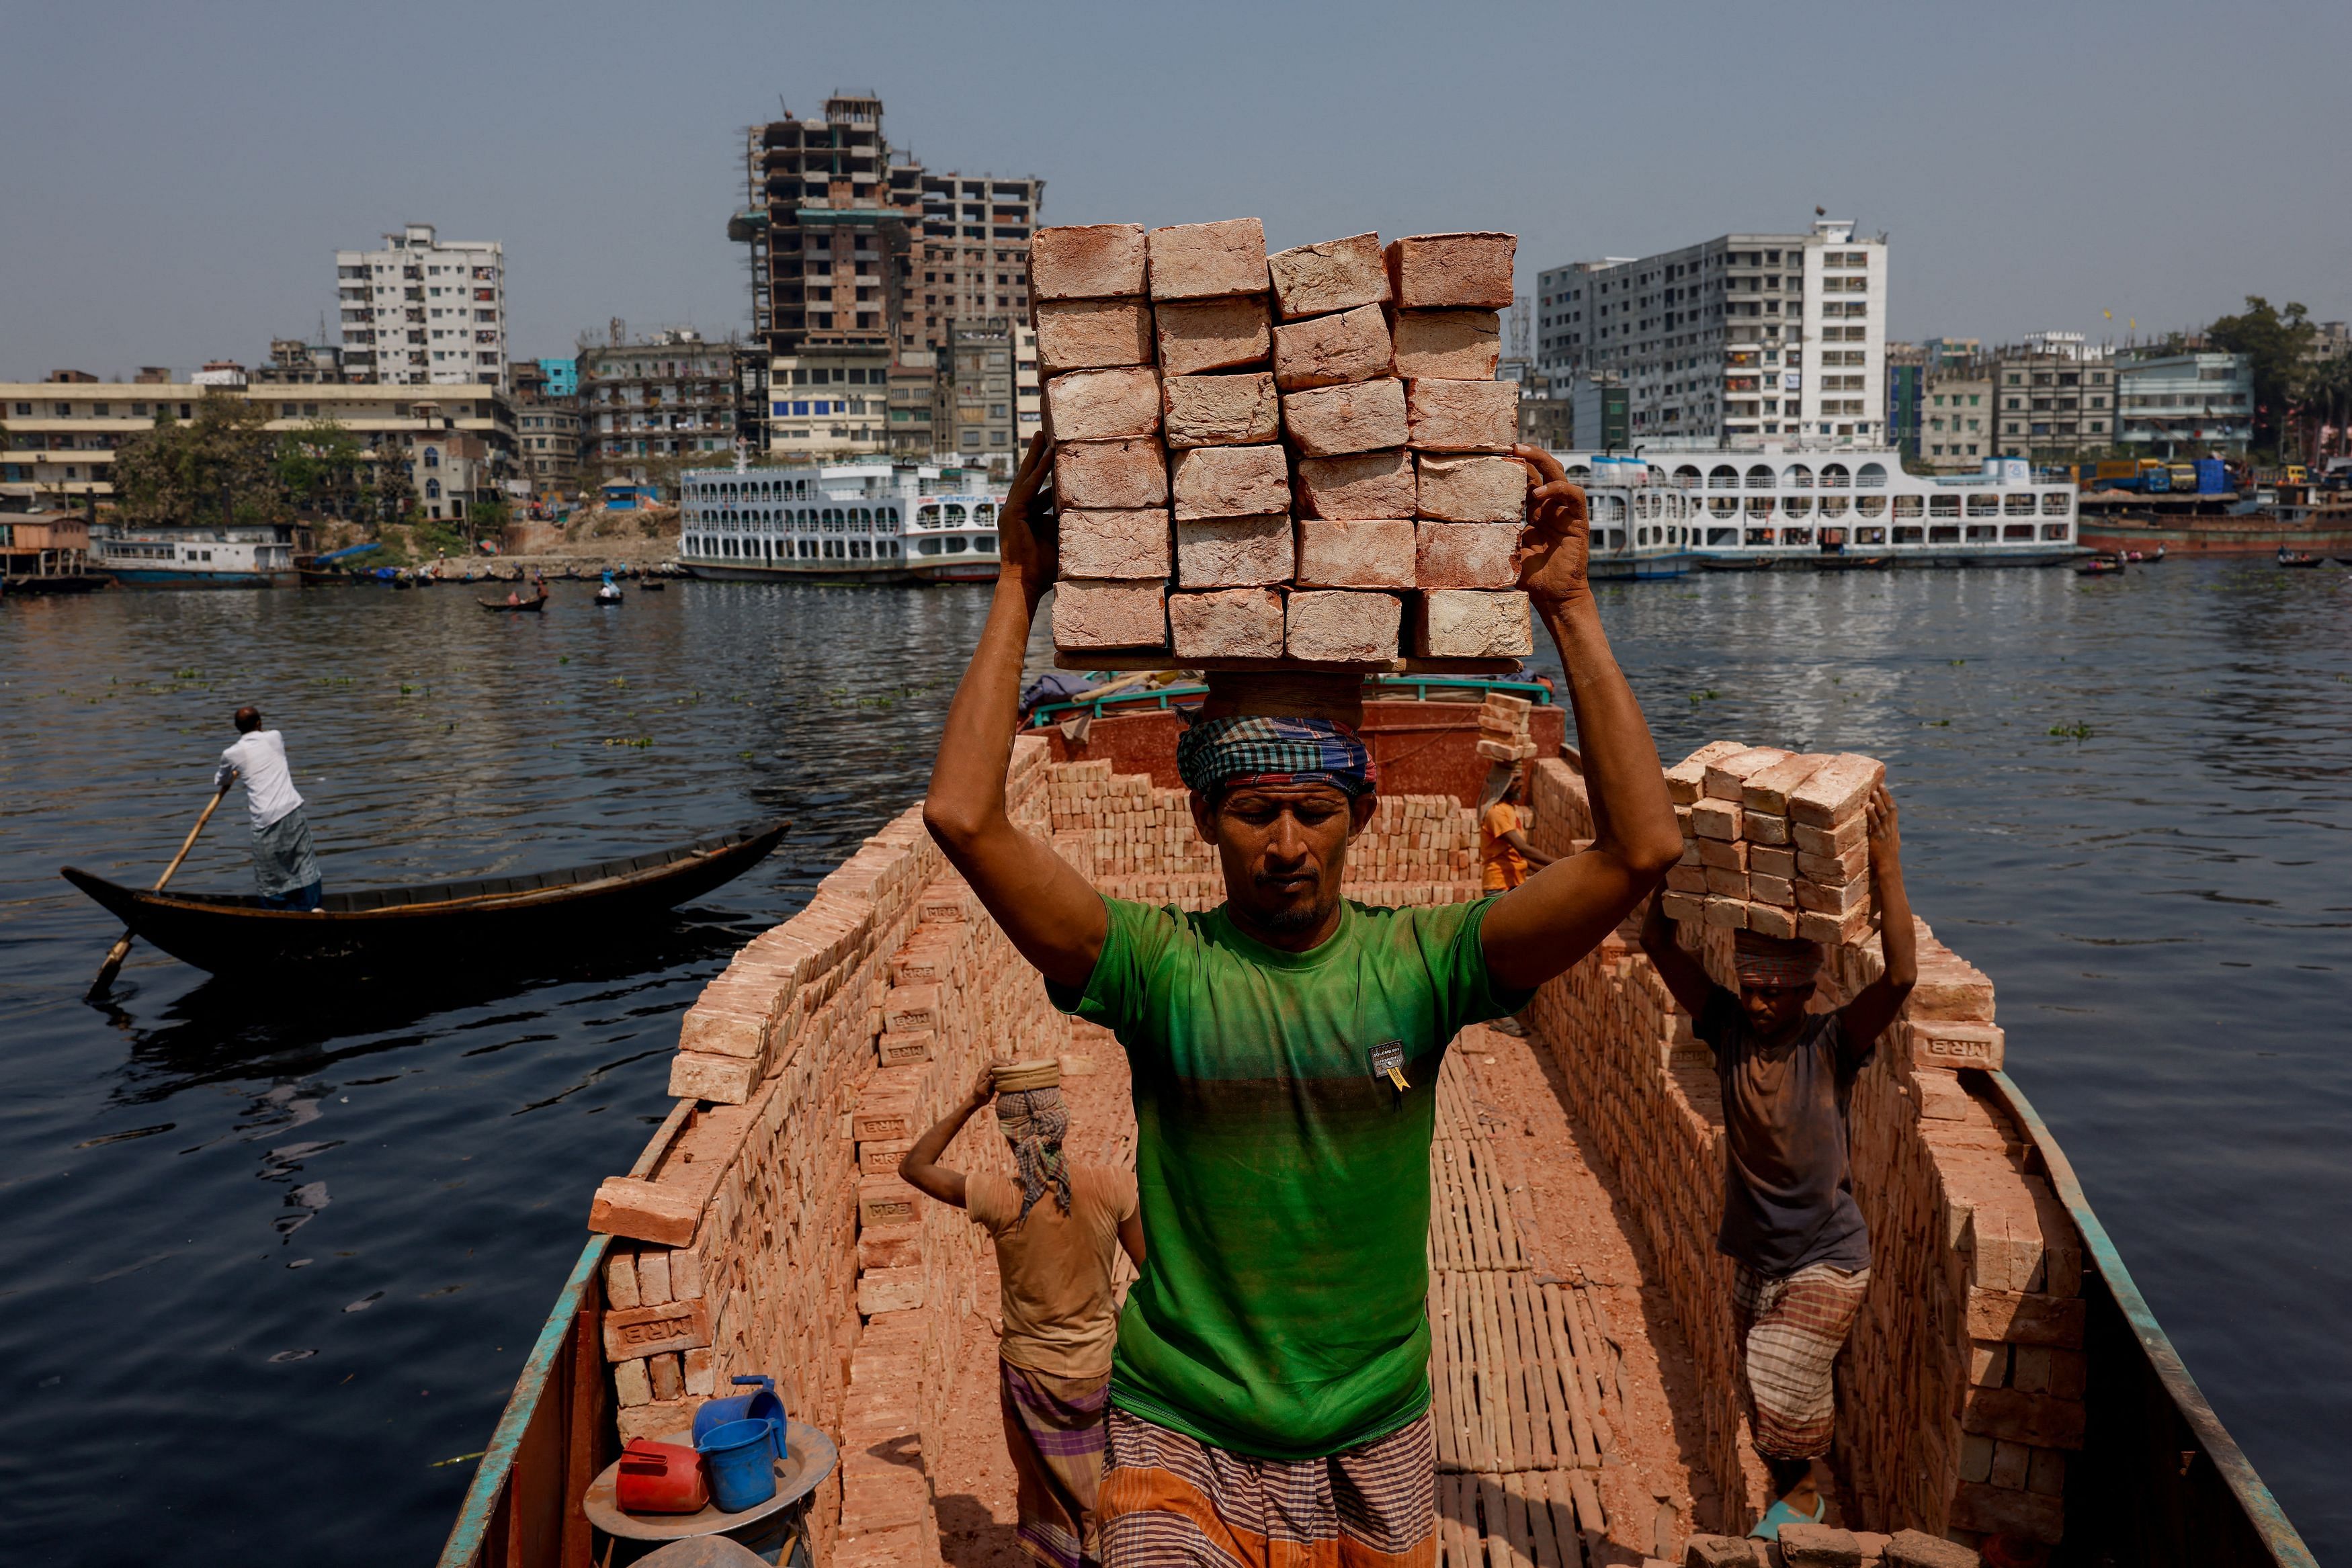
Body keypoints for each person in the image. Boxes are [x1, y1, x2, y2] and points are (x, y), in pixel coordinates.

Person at [923, 434, 1682, 1567]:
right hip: (1181, 1419)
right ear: (1203, 821)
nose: (1285, 844)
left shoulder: (1427, 967)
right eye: (1253, 811)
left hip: (1375, 1428)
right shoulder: (1154, 968)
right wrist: (1018, 586)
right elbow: (964, 819)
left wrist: (1569, 607)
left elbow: (1641, 849)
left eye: (1314, 812)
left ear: (1360, 820)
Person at [1636, 784, 1915, 1540]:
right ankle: (1799, 1506)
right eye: (1751, 988)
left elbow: (1897, 979)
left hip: (1828, 1256)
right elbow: (1658, 943)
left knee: (1780, 1363)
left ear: (1804, 990)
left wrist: (1886, 863)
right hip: (1756, 1256)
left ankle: (1804, 1499)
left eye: (1774, 993)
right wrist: (1673, 854)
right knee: (1763, 1407)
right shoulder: (1724, 1028)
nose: (1759, 1004)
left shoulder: (1829, 1046)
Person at [901, 1065, 1146, 1568]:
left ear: (1007, 1134)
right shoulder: (1112, 1188)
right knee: (1103, 1480)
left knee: (1048, 1492)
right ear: (1064, 1124)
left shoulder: (997, 1197)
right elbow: (1153, 1273)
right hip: (1098, 1366)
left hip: (1030, 1374)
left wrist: (970, 1101)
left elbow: (914, 1167)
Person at [214, 707, 323, 911]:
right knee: (304, 862)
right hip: (292, 809)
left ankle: (280, 911)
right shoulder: (275, 737)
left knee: (270, 874)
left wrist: (235, 769)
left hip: (265, 819)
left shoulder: (231, 753)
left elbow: (222, 780)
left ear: (237, 728)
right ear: (259, 724)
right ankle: (312, 907)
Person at [1478, 763, 1556, 892]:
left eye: (1520, 778)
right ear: (1503, 783)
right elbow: (1523, 849)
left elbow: (1519, 857)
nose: (1521, 783)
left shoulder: (1509, 809)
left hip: (1514, 881)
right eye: (1515, 780)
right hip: (1500, 886)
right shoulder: (1496, 813)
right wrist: (1563, 864)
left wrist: (1550, 872)